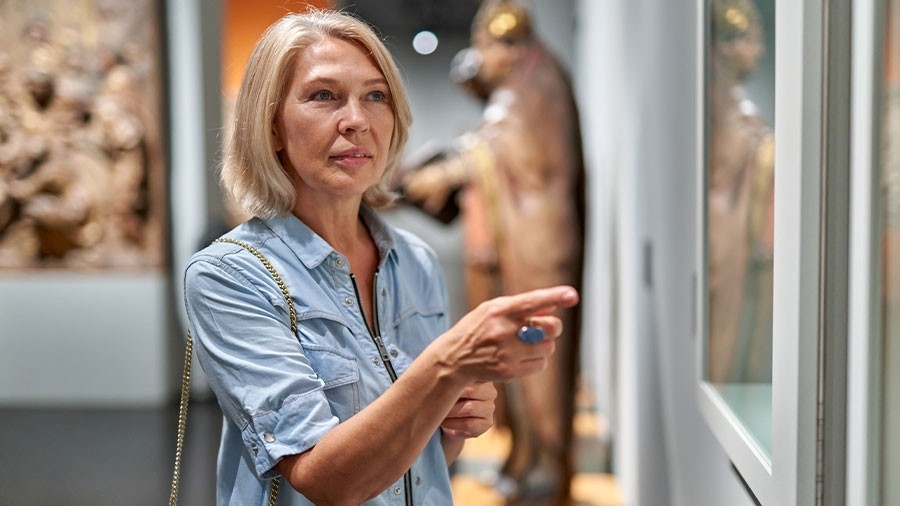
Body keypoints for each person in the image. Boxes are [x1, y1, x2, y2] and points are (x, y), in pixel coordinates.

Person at [182, 9, 579, 506]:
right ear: (272, 125)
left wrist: (456, 419)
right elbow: (327, 481)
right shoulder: (229, 277)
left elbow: (418, 461)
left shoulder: (414, 260)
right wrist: (446, 367)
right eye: (323, 96)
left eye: (376, 96)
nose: (357, 120)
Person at [397, 1, 585, 504]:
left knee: (537, 360)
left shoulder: (537, 85)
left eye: (485, 46)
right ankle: (524, 456)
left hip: (539, 245)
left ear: (510, 46)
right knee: (514, 358)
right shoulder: (514, 91)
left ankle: (547, 464)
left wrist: (446, 169)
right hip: (516, 241)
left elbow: (499, 150)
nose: (479, 58)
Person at [707, 0, 775, 383]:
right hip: (726, 245)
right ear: (729, 46)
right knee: (725, 349)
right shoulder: (733, 114)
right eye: (751, 40)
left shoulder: (735, 111)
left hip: (737, 244)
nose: (759, 51)